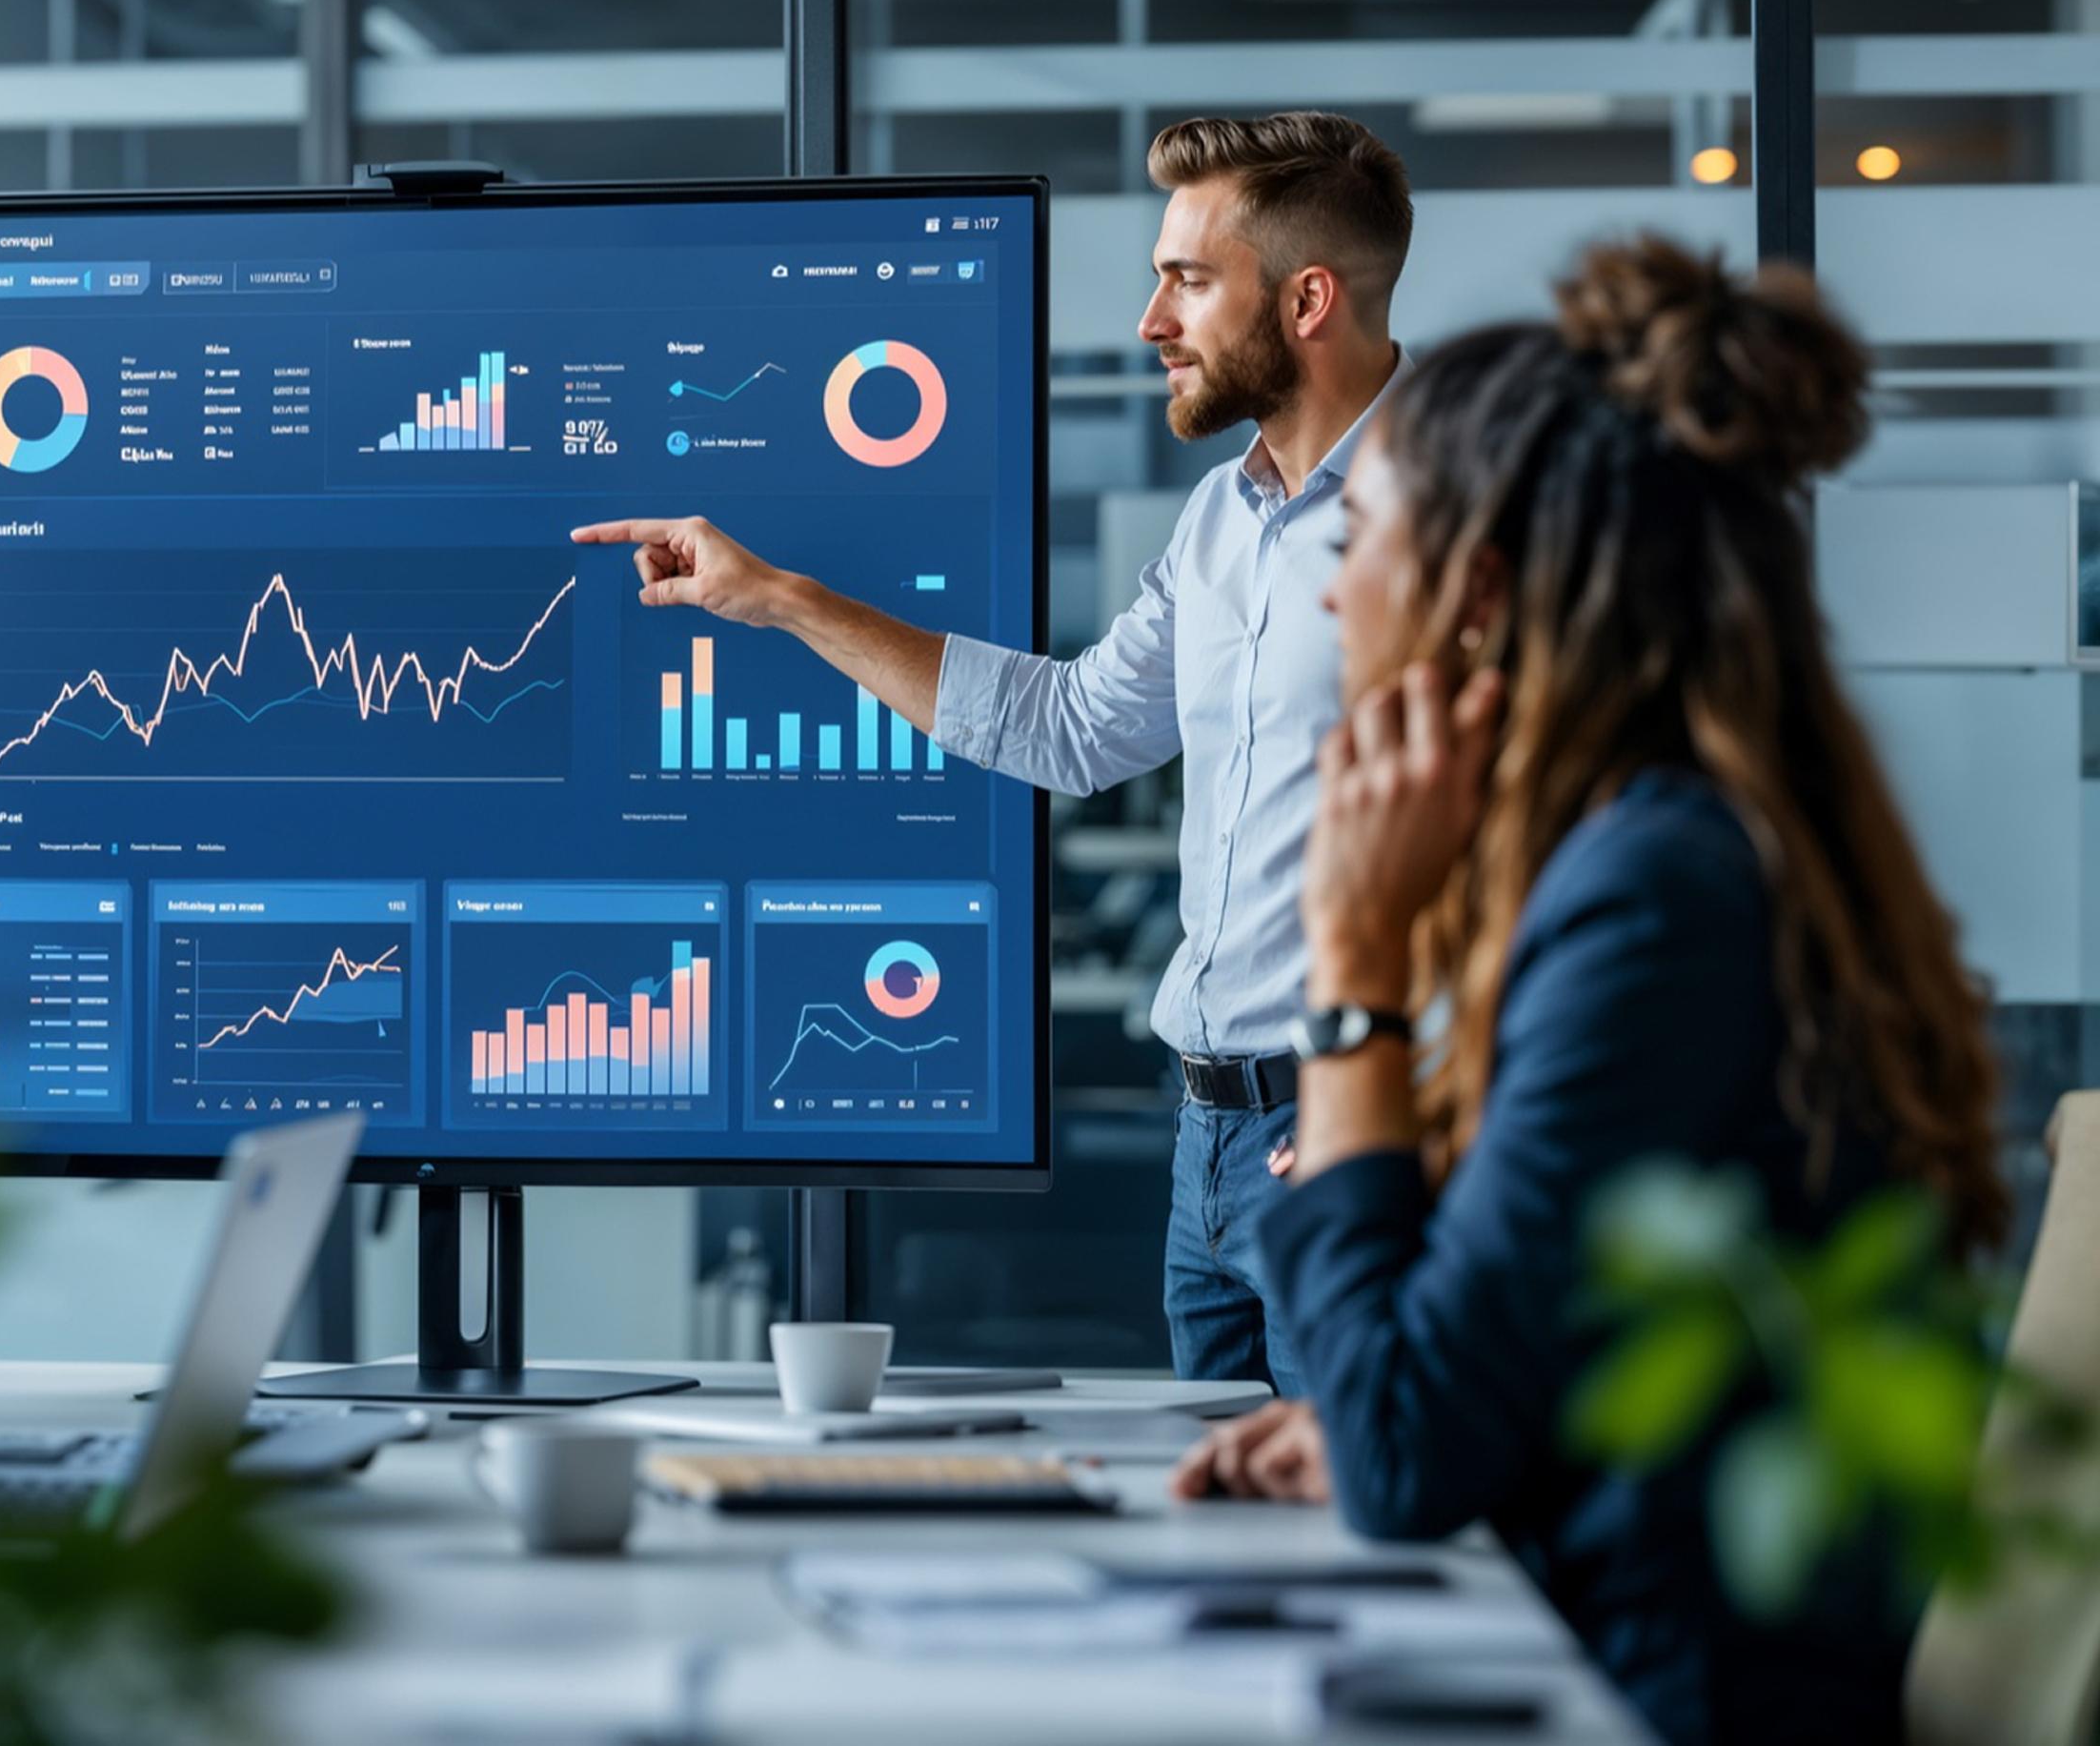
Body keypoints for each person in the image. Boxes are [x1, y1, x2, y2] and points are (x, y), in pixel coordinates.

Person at [1168, 239, 2005, 1746]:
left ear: (1475, 596)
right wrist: (1380, 1422)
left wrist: (1353, 971)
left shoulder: (1653, 897)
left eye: (1366, 538)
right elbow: (1492, 1375)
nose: (1340, 589)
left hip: (1650, 1689)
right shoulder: (1646, 856)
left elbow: (1413, 1442)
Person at [575, 112, 1412, 1391]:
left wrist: (1424, 1094)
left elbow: (1541, 819)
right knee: (1235, 1541)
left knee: (1365, 1540)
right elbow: (1070, 730)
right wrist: (785, 599)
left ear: (1306, 299)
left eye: (1188, 279)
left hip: (1345, 1125)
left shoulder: (1455, 510)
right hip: (1208, 1145)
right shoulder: (1219, 520)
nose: (1152, 319)